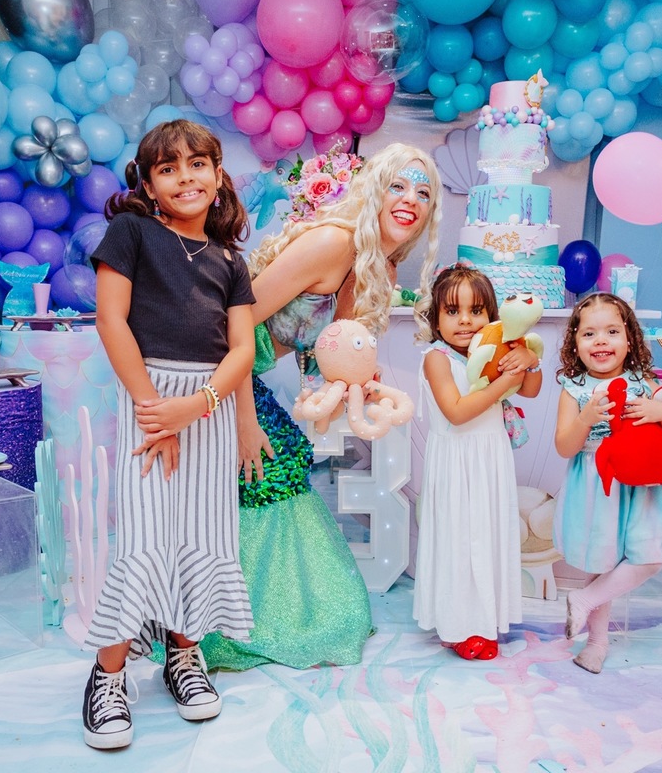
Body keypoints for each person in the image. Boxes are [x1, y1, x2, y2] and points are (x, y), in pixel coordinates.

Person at [196, 143, 443, 671]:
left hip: (241, 371)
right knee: (271, 464)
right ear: (374, 191)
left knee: (282, 463)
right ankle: (225, 623)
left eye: (423, 193)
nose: (410, 200)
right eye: (398, 186)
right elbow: (228, 326)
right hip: (206, 366)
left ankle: (256, 613)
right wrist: (243, 421)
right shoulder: (334, 242)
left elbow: (325, 358)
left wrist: (354, 389)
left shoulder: (376, 267)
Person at [81, 119, 257, 749]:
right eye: (167, 167)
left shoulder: (230, 261)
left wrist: (201, 407)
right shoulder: (131, 232)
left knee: (200, 533)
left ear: (217, 175)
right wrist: (158, 411)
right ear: (150, 185)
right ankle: (108, 674)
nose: (185, 176)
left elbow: (242, 349)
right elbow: (111, 320)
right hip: (146, 399)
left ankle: (184, 655)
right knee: (145, 537)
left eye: (197, 164)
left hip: (204, 412)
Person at [554, 292, 662, 674]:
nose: (601, 341)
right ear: (575, 344)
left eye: (612, 331)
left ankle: (582, 600)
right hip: (600, 483)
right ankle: (596, 644)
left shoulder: (645, 383)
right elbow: (564, 447)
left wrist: (661, 410)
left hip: (646, 484)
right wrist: (585, 417)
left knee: (650, 557)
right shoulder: (574, 388)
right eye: (590, 334)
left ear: (629, 340)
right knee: (604, 562)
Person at [413, 264, 541, 660]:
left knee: (486, 538)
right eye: (453, 311)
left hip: (490, 459)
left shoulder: (497, 349)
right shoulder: (437, 359)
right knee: (459, 540)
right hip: (456, 463)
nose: (466, 321)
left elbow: (532, 390)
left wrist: (527, 359)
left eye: (477, 311)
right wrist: (506, 380)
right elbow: (456, 411)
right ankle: (456, 623)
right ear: (436, 318)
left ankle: (483, 620)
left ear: (493, 316)